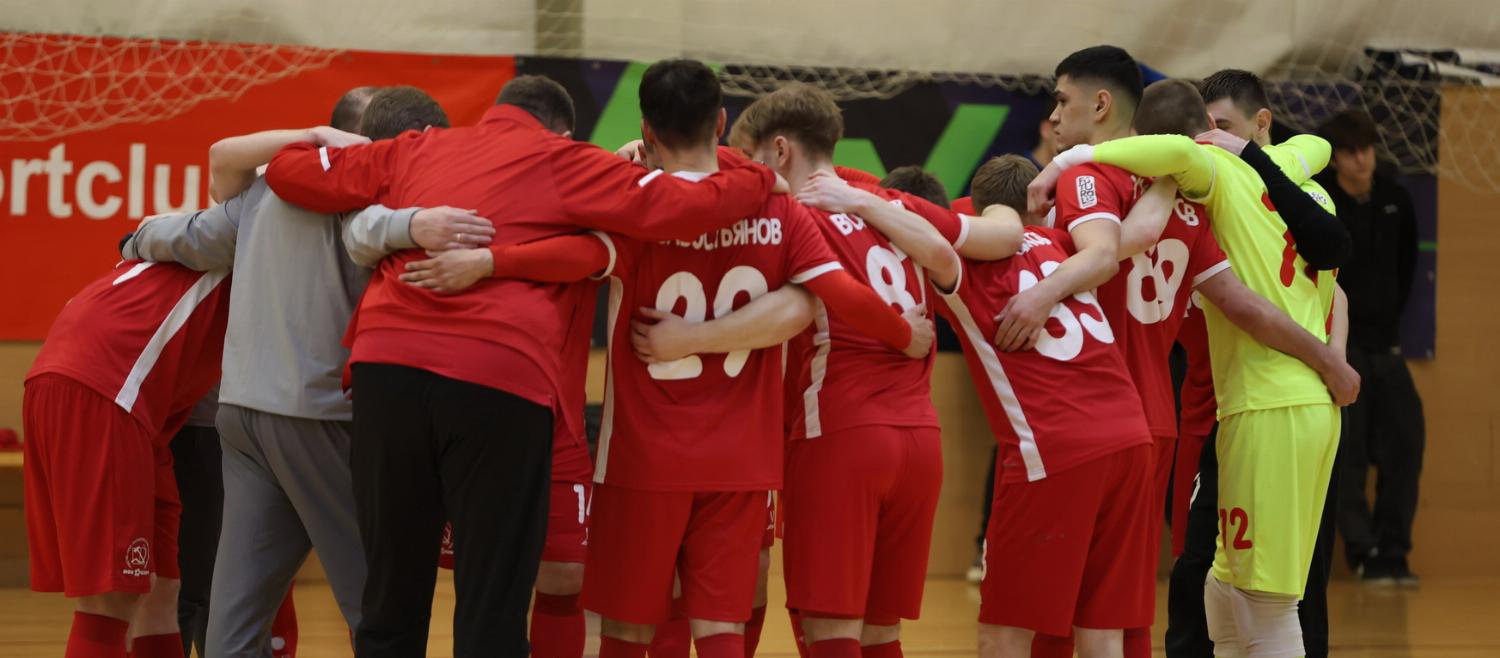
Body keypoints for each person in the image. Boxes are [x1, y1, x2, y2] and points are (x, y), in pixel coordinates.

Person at [261, 73, 787, 658]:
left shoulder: (420, 147)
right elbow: (691, 206)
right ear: (561, 130)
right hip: (497, 376)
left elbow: (287, 171)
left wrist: (338, 146)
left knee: (389, 594)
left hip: (386, 371)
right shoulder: (570, 161)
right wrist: (760, 174)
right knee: (494, 595)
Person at [122, 86, 476, 658]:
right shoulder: (380, 191)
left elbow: (197, 235)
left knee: (235, 623)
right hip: (320, 416)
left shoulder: (268, 189)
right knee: (380, 607)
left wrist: (138, 237)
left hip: (241, 414)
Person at [1032, 64, 1360, 658]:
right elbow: (1317, 157)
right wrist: (1334, 359)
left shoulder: (1211, 173)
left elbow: (1166, 187)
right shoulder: (1298, 180)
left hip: (1264, 404)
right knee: (1220, 590)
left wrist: (1066, 161)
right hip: (1283, 404)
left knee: (1265, 604)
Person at [729, 82, 1022, 658]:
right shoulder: (891, 205)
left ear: (780, 150)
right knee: (881, 634)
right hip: (920, 440)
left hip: (841, 434)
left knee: (831, 632)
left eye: (753, 159)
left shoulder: (788, 214)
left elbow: (790, 311)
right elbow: (952, 255)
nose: (752, 174)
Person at [1161, 68, 1355, 658]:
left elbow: (1325, 287)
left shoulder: (1282, 190)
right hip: (1225, 406)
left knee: (1279, 588)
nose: (1210, 140)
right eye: (1203, 130)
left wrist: (1333, 361)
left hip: (1272, 404)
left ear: (1259, 124)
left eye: (1222, 127)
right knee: (1212, 579)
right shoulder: (1217, 187)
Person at [23, 255, 231, 658]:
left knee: (163, 589)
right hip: (105, 391)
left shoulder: (184, 243)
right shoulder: (242, 239)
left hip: (125, 405)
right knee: (110, 601)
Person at [1316, 109, 1425, 586]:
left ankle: (1393, 552)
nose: (1361, 159)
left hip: (1388, 346)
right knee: (1350, 452)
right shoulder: (1323, 202)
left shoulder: (1396, 199)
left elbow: (1407, 269)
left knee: (1406, 444)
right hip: (1344, 346)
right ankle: (1362, 553)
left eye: (1366, 149)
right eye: (1350, 152)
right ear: (1335, 159)